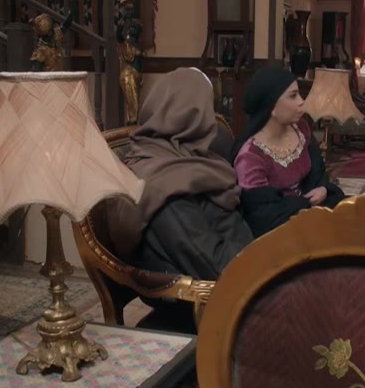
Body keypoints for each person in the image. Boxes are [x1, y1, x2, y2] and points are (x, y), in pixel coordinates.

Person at [107, 67, 254, 280]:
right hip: (223, 290)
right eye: (208, 109)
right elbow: (215, 265)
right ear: (194, 115)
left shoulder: (201, 162)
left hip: (248, 273)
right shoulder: (161, 185)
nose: (212, 119)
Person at [233, 67, 345, 237]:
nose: (301, 102)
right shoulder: (250, 157)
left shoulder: (301, 129)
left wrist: (324, 189)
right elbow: (263, 216)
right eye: (293, 96)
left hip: (311, 218)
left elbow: (317, 174)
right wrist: (306, 205)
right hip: (279, 235)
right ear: (272, 107)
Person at [118, 18, 144, 126]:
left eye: (137, 28)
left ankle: (133, 123)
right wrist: (121, 24)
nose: (134, 30)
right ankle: (132, 123)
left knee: (135, 101)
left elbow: (141, 63)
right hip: (128, 75)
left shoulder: (138, 45)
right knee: (132, 102)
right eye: (133, 27)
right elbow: (119, 36)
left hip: (137, 76)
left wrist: (141, 78)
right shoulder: (126, 44)